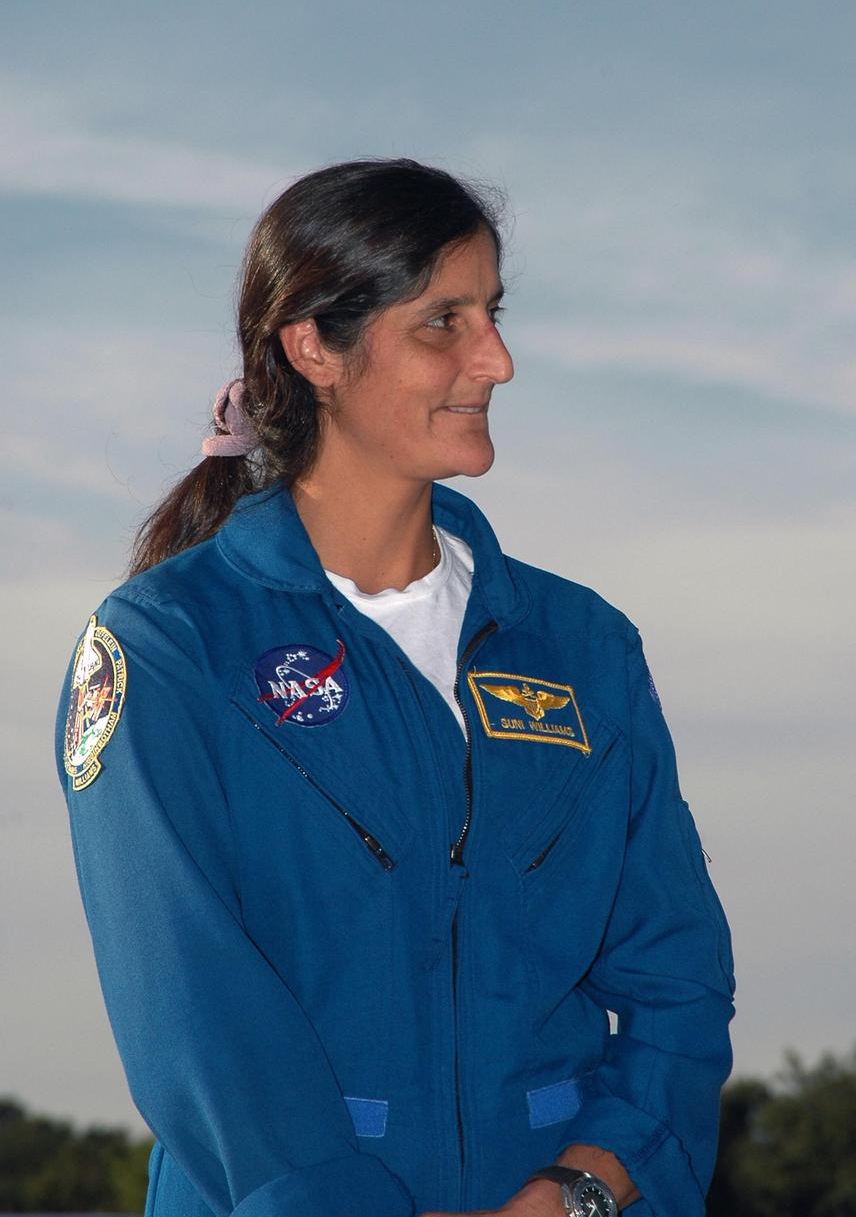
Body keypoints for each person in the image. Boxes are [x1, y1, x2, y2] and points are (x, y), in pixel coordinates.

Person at [56, 158, 735, 1217]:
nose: (496, 360)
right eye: (442, 322)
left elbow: (677, 981)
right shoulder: (169, 645)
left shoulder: (583, 647)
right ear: (313, 348)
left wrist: (581, 1189)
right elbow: (192, 1012)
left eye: (493, 314)